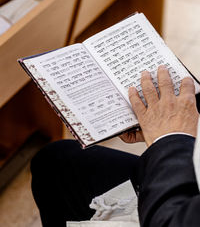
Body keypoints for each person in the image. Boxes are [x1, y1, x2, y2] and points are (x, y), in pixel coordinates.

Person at [31, 65, 200, 227]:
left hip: (174, 209)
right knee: (58, 159)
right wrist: (181, 122)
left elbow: (168, 220)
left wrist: (169, 137)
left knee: (55, 166)